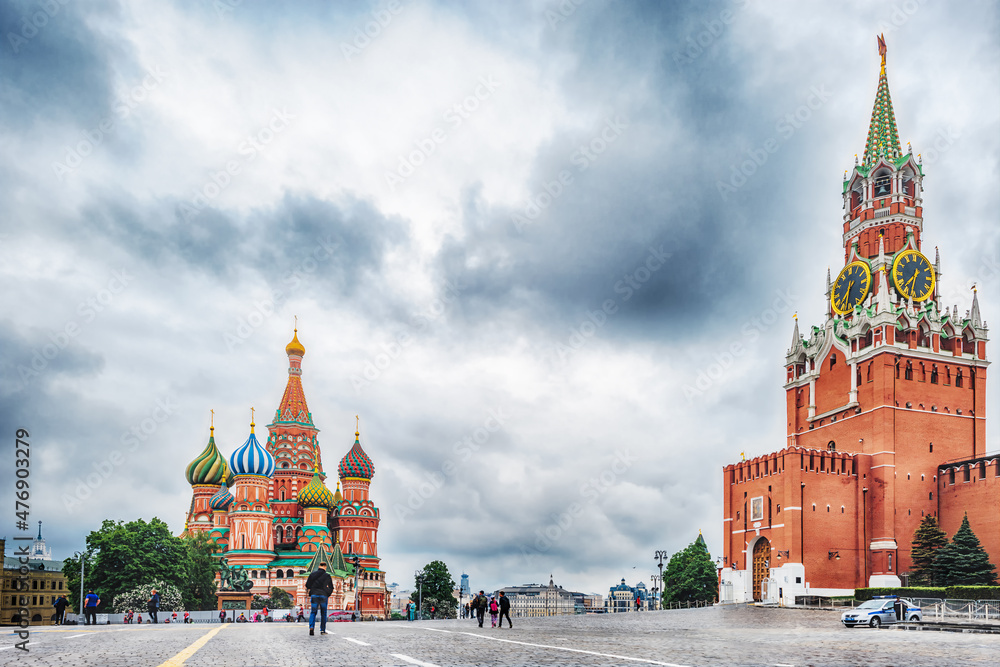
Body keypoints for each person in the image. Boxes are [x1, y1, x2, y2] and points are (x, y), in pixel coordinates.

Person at [305, 561, 333, 636]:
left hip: (314, 595)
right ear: (325, 567)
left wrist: (313, 588)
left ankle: (311, 627)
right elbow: (331, 587)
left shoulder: (312, 574)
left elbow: (307, 585)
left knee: (313, 612)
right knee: (323, 613)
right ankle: (322, 630)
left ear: (319, 566)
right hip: (323, 595)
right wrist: (327, 593)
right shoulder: (327, 575)